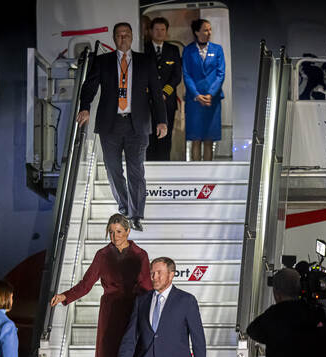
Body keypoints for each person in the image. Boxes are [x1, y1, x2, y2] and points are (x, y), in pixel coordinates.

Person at [50, 214, 151, 357]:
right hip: (111, 314)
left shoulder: (140, 255)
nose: (115, 236)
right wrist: (64, 296)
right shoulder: (102, 255)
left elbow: (147, 286)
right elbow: (86, 284)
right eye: (112, 232)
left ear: (128, 232)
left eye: (119, 232)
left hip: (133, 311)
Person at [77, 22, 168, 232]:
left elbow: (156, 92)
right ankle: (124, 206)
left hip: (138, 124)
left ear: (132, 36)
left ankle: (136, 215)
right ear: (114, 38)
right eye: (119, 35)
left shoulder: (145, 61)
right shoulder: (103, 61)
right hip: (110, 125)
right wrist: (85, 108)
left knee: (136, 170)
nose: (123, 38)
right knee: (113, 170)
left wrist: (162, 120)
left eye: (126, 34)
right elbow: (89, 87)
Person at [182, 19, 225, 161]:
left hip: (212, 99)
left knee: (209, 137)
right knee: (196, 137)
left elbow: (221, 74)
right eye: (206, 30)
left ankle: (208, 174)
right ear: (196, 32)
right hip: (195, 100)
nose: (209, 33)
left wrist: (210, 94)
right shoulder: (188, 50)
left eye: (210, 29)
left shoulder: (217, 49)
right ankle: (195, 173)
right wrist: (197, 95)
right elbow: (186, 75)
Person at [145, 17, 182, 161]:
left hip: (168, 101)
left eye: (162, 30)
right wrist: (153, 94)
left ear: (166, 31)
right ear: (150, 31)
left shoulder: (173, 50)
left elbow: (177, 76)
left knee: (166, 135)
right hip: (147, 101)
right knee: (149, 135)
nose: (159, 33)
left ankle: (165, 165)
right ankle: (149, 167)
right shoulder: (143, 48)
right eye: (156, 29)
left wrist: (164, 92)